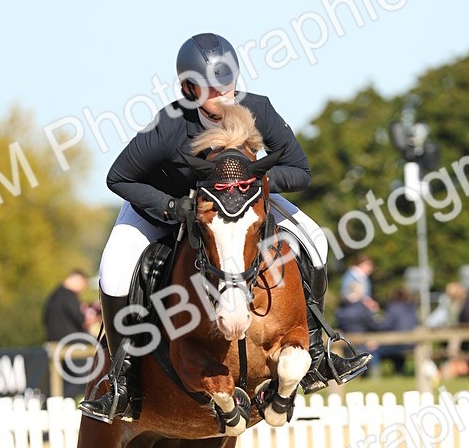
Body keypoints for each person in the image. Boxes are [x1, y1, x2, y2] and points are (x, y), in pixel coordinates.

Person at [80, 32, 368, 421]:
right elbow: (119, 178)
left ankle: (317, 350)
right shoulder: (169, 126)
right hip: (165, 208)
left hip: (241, 203)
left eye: (229, 83)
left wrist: (249, 182)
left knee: (315, 239)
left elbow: (300, 171)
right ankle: (123, 382)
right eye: (214, 88)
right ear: (188, 88)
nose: (226, 94)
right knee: (113, 274)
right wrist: (172, 206)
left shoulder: (257, 110)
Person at [43, 270, 92, 398]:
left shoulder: (54, 296)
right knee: (82, 382)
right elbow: (81, 319)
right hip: (74, 346)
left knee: (63, 384)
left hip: (57, 345)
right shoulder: (69, 297)